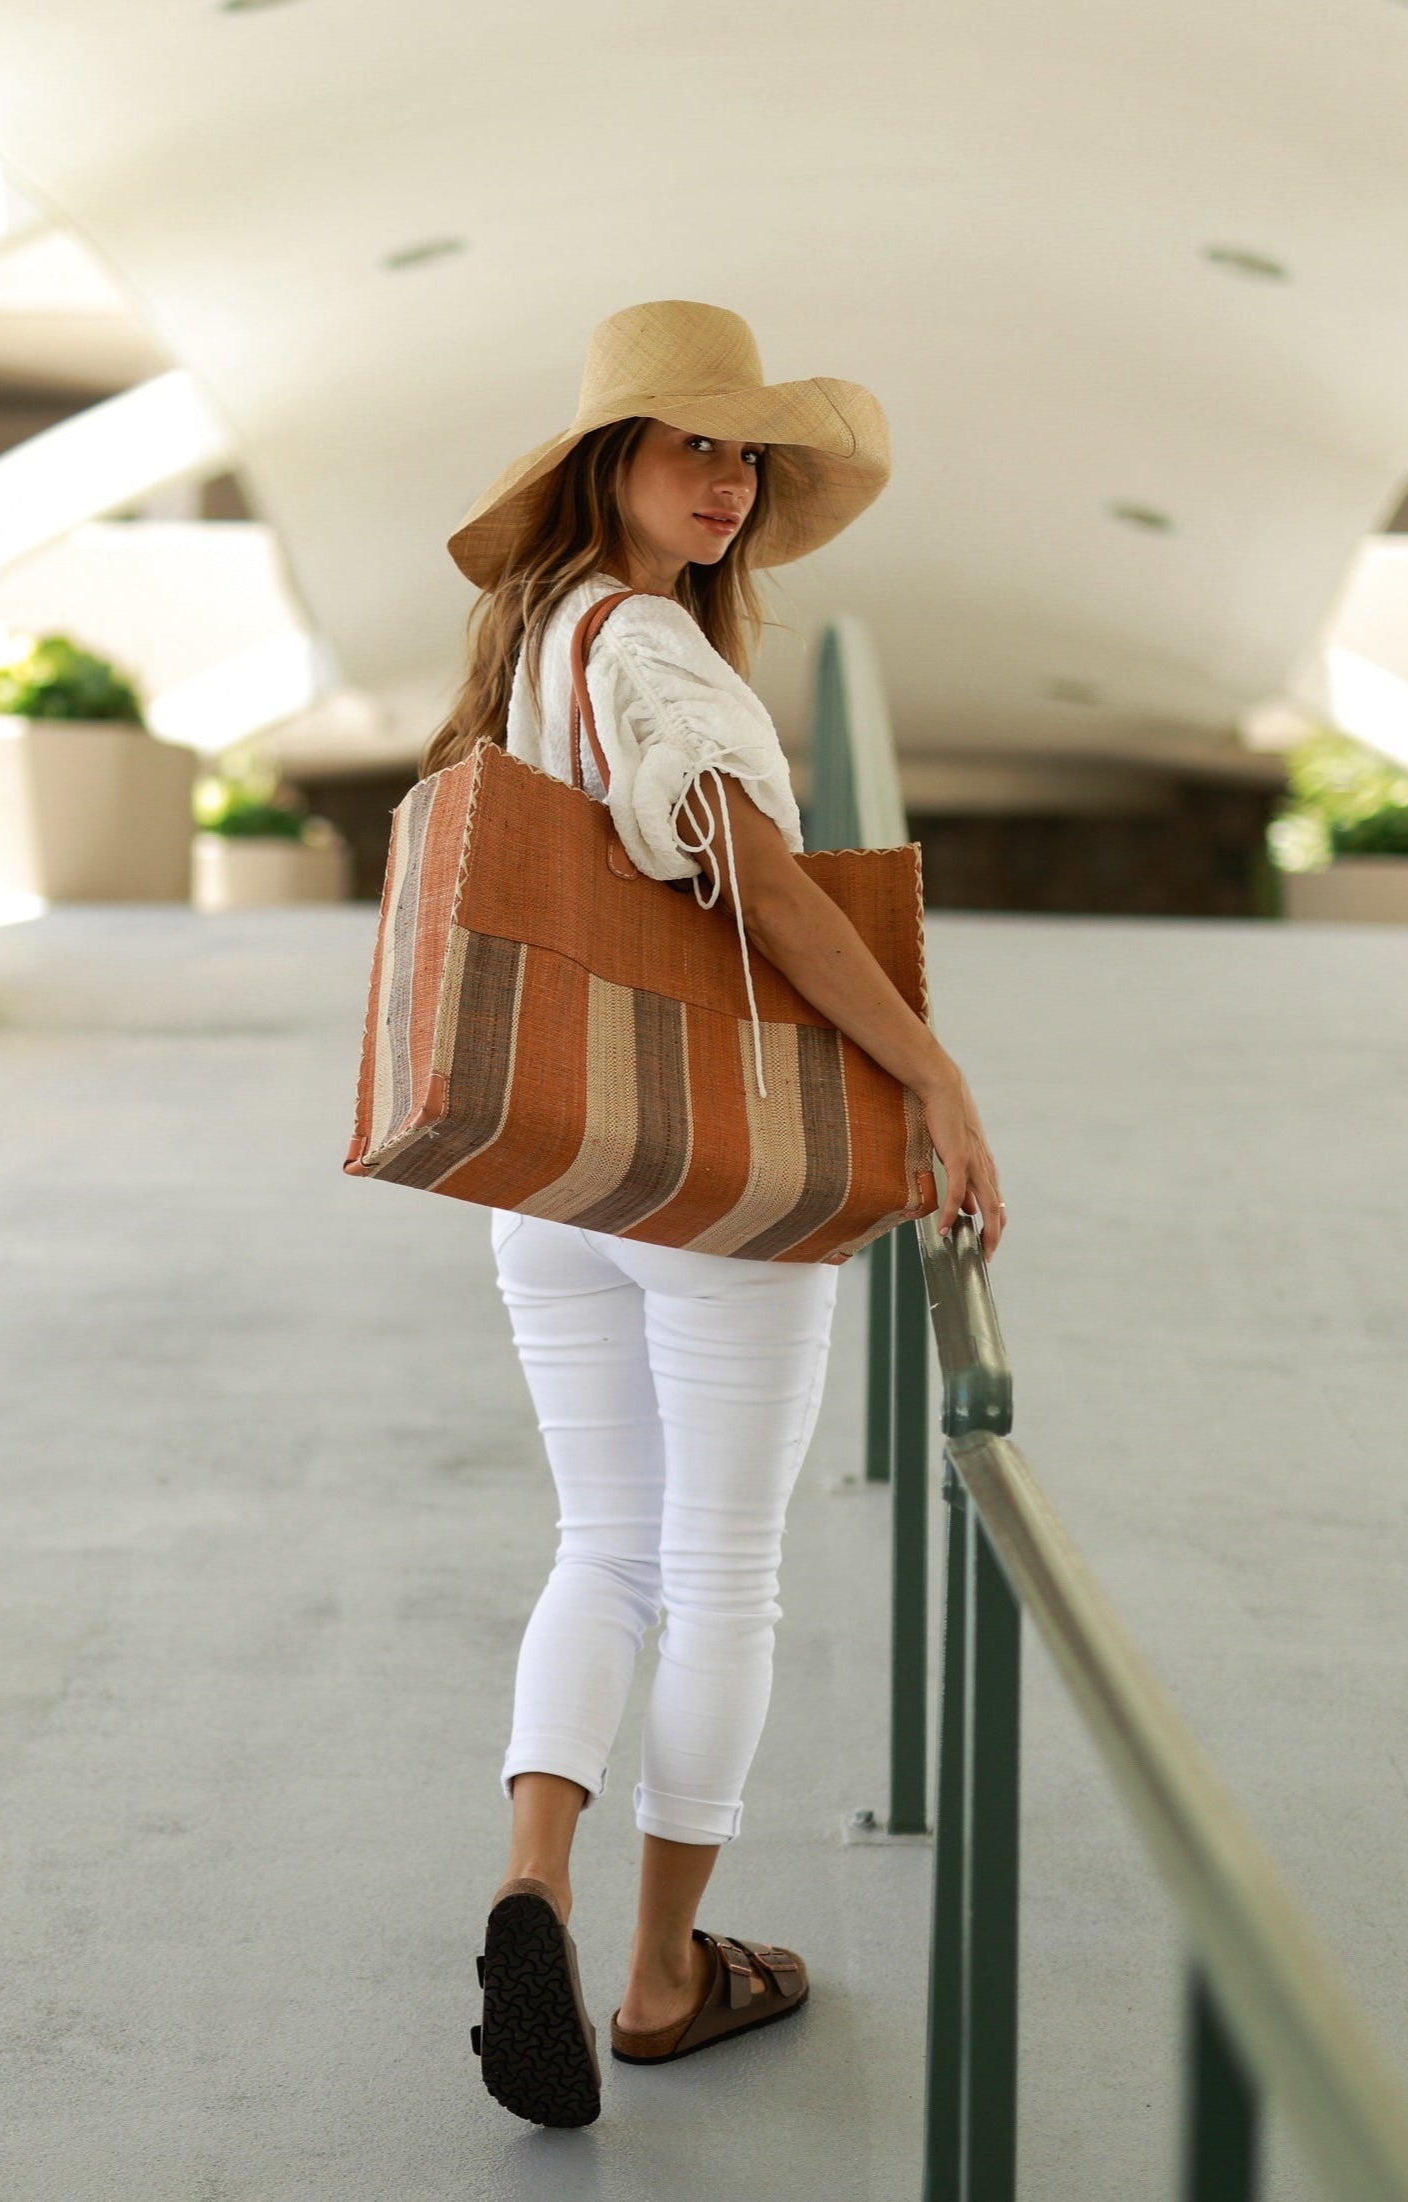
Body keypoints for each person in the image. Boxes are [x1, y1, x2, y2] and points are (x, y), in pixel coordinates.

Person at [422, 300, 1006, 2128]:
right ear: (612, 461)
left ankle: (537, 1879)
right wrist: (930, 1073)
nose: (731, 480)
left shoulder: (531, 642)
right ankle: (666, 1973)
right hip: (709, 1171)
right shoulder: (654, 653)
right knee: (723, 1570)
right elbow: (755, 881)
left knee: (606, 1541)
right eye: (695, 443)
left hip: (558, 1171)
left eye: (749, 453)